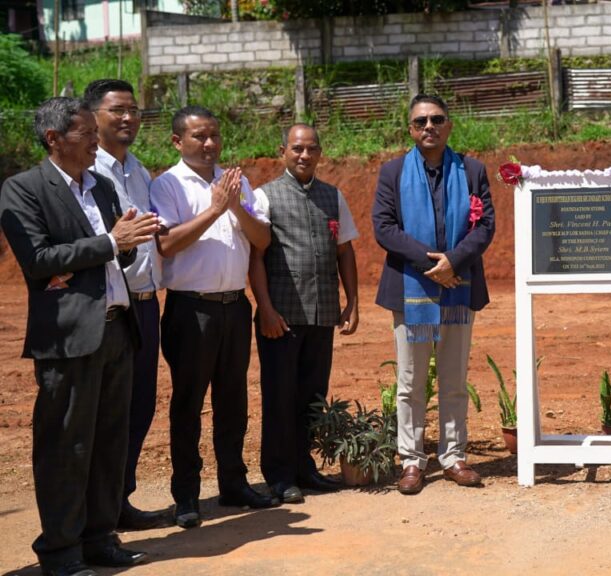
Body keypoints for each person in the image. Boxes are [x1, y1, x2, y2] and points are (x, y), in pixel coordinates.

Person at [0, 97, 159, 576]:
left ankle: (100, 538)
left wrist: (126, 247)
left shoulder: (104, 185)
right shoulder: (24, 189)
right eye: (87, 134)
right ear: (54, 139)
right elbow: (40, 260)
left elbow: (110, 255)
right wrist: (110, 244)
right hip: (70, 338)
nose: (96, 142)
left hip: (117, 327)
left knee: (110, 441)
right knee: (66, 446)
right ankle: (61, 552)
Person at [150, 105, 278, 529]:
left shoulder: (238, 183)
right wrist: (215, 208)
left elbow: (262, 239)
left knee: (233, 399)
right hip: (191, 309)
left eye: (214, 136)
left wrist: (236, 204)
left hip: (234, 307)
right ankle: (186, 494)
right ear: (177, 141)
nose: (209, 144)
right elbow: (166, 244)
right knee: (188, 402)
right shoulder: (167, 185)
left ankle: (233, 483)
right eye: (199, 136)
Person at [372, 94, 495, 495]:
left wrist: (453, 262)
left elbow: (485, 226)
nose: (429, 126)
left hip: (458, 287)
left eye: (437, 119)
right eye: (421, 121)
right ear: (410, 129)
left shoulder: (473, 170)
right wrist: (432, 265)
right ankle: (411, 459)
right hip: (410, 289)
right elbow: (384, 228)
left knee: (454, 378)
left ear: (449, 125)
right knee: (409, 382)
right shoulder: (392, 173)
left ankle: (454, 456)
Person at [249, 124, 360, 503]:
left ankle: (304, 467)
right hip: (280, 315)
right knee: (279, 396)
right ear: (283, 151)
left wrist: (352, 302)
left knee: (312, 395)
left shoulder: (333, 196)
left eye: (311, 149)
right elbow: (256, 257)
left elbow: (345, 251)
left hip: (322, 312)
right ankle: (279, 475)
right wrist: (264, 307)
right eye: (297, 148)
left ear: (320, 153)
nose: (304, 155)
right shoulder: (264, 197)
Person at [83, 79, 170, 531]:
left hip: (145, 303)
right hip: (107, 306)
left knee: (139, 405)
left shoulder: (138, 169)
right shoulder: (85, 171)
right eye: (117, 109)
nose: (128, 118)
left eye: (133, 110)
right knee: (104, 409)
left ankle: (120, 500)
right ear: (92, 115)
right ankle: (94, 511)